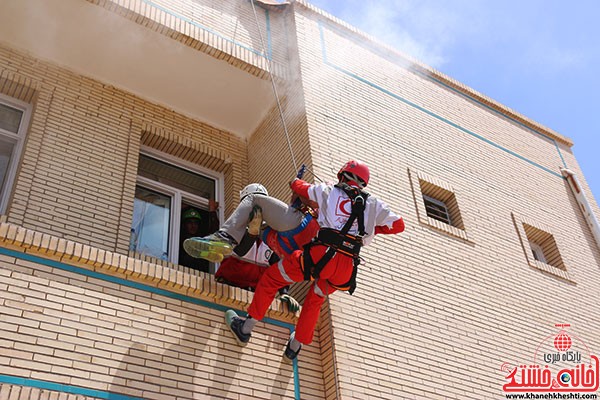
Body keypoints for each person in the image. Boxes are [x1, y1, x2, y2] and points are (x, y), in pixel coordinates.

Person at [215, 160, 404, 360]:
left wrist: (296, 181)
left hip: (321, 256)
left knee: (272, 279)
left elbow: (298, 187)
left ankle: (245, 327)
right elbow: (399, 225)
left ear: (342, 175)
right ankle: (294, 347)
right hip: (347, 268)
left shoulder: (330, 191)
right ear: (363, 183)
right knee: (316, 297)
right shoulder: (374, 204)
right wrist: (373, 229)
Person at [178, 201, 219, 272]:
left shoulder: (201, 240)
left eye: (195, 223)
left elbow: (214, 234)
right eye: (190, 222)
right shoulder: (179, 239)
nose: (193, 226)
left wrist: (213, 212)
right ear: (184, 225)